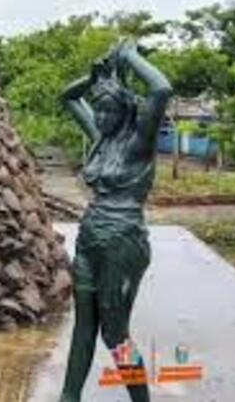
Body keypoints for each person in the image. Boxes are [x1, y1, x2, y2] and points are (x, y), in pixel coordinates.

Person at [59, 40, 173, 402]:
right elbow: (68, 97)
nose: (101, 118)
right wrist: (93, 78)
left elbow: (161, 89)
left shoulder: (139, 144)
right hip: (89, 241)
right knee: (83, 328)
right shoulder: (100, 139)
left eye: (109, 111)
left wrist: (130, 57)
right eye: (99, 111)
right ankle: (69, 397)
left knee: (115, 334)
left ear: (125, 112)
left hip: (123, 244)